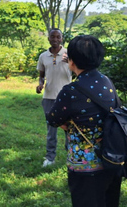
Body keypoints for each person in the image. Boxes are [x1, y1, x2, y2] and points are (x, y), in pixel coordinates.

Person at [47, 35, 122, 207]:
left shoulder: (70, 91)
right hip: (112, 157)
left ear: (71, 61)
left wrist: (67, 123)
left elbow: (53, 118)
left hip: (84, 165)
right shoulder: (107, 82)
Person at [36, 28, 72, 167]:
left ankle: (71, 156)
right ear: (49, 38)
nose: (55, 39)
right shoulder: (43, 56)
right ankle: (50, 158)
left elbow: (77, 70)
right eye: (53, 36)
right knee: (51, 129)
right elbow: (41, 75)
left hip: (66, 98)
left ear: (62, 39)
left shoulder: (69, 54)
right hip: (49, 97)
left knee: (69, 128)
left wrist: (69, 61)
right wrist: (40, 85)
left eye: (58, 37)